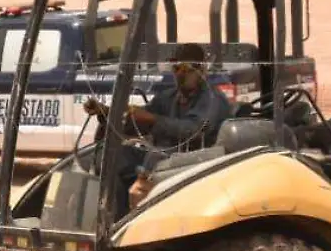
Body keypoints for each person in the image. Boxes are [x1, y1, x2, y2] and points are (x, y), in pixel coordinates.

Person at [86, 43, 230, 211]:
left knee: (155, 157)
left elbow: (194, 130)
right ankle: (113, 216)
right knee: (114, 156)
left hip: (193, 161)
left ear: (202, 70)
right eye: (176, 69)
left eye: (187, 69)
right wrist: (108, 113)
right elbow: (139, 121)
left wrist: (152, 119)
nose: (181, 75)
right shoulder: (167, 97)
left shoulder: (212, 99)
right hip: (160, 158)